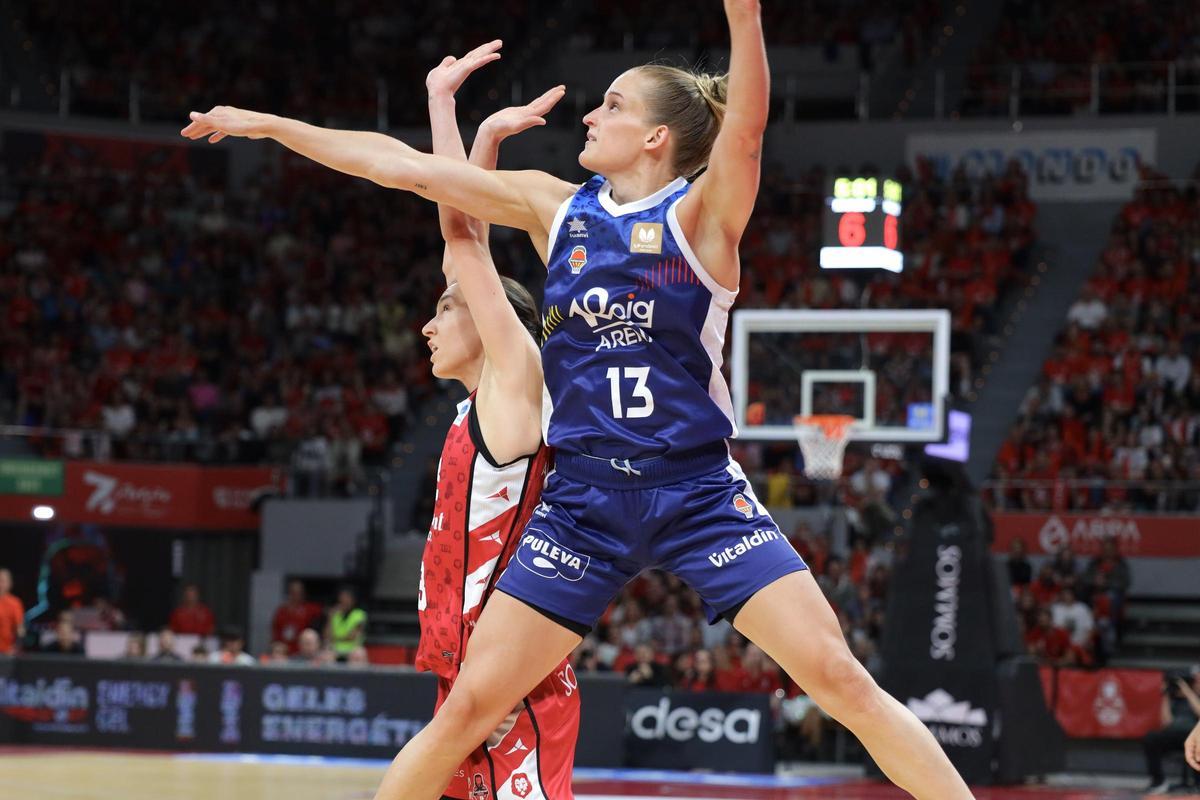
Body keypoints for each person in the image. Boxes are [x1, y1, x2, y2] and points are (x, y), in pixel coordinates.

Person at [180, 3, 972, 796]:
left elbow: (748, 131)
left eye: (614, 105)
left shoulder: (701, 218)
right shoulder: (556, 208)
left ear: (656, 138)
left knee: (840, 679)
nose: (590, 115)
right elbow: (406, 169)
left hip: (697, 491)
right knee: (464, 711)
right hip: (583, 503)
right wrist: (270, 125)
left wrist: (744, 15)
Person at [415, 46, 580, 800]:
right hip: (464, 672)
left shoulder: (516, 383)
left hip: (513, 679)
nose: (428, 324)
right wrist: (453, 113)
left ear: (493, 320)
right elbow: (462, 243)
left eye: (446, 307)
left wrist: (457, 122)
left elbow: (464, 240)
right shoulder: (474, 405)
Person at [1144, 668, 1200, 793]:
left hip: (1193, 735)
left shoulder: (1195, 696)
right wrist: (1166, 695)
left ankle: (1198, 783)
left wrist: (1187, 691)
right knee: (1151, 738)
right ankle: (1158, 782)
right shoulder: (1172, 700)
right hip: (1175, 736)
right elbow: (1166, 723)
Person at [271, 579, 322, 655]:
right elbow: (275, 634)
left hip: (302, 651)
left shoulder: (309, 608)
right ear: (289, 594)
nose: (296, 596)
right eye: (293, 592)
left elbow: (324, 611)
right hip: (285, 652)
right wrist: (277, 644)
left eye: (299, 593)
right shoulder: (281, 612)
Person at [325, 587, 366, 662]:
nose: (344, 602)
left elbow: (351, 637)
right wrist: (330, 618)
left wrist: (334, 638)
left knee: (359, 653)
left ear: (353, 600)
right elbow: (327, 636)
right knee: (326, 655)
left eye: (347, 599)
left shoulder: (359, 614)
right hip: (335, 650)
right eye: (342, 600)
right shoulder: (335, 615)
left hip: (352, 649)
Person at [0, 568, 25, 655]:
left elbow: (20, 629)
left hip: (7, 652)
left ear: (10, 583)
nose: (0, 584)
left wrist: (16, 648)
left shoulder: (15, 603)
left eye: (3, 581)